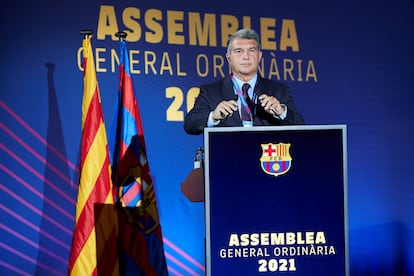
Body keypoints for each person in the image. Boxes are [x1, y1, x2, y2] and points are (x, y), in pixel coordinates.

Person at [184, 28, 305, 135]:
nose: (246, 56)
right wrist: (214, 116)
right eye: (239, 51)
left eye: (251, 50)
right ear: (229, 58)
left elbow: (300, 126)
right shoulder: (210, 91)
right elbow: (190, 125)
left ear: (259, 56)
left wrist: (281, 111)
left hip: (267, 157)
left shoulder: (279, 90)